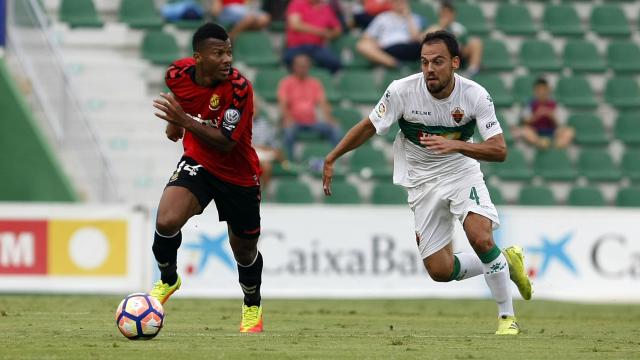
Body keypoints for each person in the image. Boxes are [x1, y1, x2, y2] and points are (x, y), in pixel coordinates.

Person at [322, 30, 532, 335]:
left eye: (437, 61)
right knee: (440, 271)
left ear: (455, 63)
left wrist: (457, 146)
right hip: (421, 181)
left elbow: (499, 150)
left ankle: (506, 318)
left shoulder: (475, 95)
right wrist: (333, 156)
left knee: (481, 237)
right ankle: (505, 262)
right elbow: (370, 126)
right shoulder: (402, 91)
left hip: (461, 172)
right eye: (424, 62)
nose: (429, 69)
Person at [151, 23, 264, 333]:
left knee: (244, 251)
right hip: (199, 163)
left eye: (229, 52)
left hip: (238, 174)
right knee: (165, 221)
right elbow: (182, 104)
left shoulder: (240, 88)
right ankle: (168, 279)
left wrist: (182, 121)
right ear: (198, 57)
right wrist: (175, 126)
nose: (227, 59)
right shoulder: (177, 74)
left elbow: (226, 142)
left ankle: (252, 304)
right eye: (219, 53)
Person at [278, 53, 342, 161]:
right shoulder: (286, 83)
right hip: (294, 122)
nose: (303, 69)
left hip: (312, 122)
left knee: (335, 129)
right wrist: (287, 118)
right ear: (294, 67)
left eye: (305, 66)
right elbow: (282, 103)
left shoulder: (314, 83)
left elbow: (323, 103)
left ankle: (334, 160)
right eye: (300, 66)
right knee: (288, 132)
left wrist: (329, 118)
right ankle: (289, 161)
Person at [356, 0, 424, 68]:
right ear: (391, 3)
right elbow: (366, 36)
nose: (399, 3)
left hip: (409, 48)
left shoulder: (414, 17)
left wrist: (408, 16)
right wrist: (376, 43)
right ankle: (396, 64)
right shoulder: (382, 17)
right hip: (388, 49)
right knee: (362, 45)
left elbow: (415, 38)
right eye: (396, 1)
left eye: (402, 1)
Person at [283, 0, 342, 73]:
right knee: (289, 59)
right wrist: (322, 32)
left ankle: (324, 82)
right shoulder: (297, 3)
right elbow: (295, 25)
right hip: (297, 47)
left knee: (334, 63)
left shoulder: (326, 8)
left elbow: (338, 29)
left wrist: (331, 34)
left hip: (317, 48)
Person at [427, 1, 482, 77]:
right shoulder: (435, 27)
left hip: (458, 53)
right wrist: (442, 26)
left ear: (453, 14)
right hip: (440, 54)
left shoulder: (459, 28)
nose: (447, 16)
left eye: (449, 13)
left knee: (476, 42)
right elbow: (425, 40)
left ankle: (472, 71)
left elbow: (464, 45)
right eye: (444, 13)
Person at [519, 78, 574, 149]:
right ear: (535, 91)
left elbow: (560, 124)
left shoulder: (554, 104)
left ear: (548, 90)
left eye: (544, 89)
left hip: (552, 132)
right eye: (539, 90)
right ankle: (540, 142)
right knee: (525, 130)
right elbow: (525, 122)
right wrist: (536, 115)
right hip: (536, 131)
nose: (542, 92)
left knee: (569, 131)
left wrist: (551, 116)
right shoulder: (530, 104)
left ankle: (555, 146)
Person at [252, 97, 288, 191]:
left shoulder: (265, 124)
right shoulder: (241, 123)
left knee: (270, 162)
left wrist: (273, 149)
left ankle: (263, 191)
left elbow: (273, 142)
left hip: (264, 152)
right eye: (252, 106)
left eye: (256, 107)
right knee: (265, 165)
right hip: (249, 152)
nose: (254, 109)